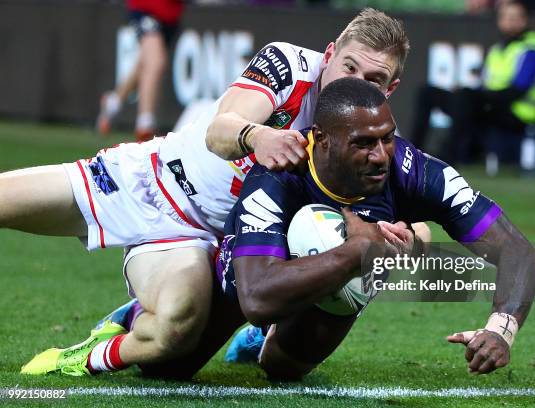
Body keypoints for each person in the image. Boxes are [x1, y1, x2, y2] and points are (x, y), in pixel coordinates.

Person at [24, 78, 535, 380]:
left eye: (386, 138)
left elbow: (518, 252)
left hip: (326, 283)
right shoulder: (279, 174)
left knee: (284, 370)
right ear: (322, 140)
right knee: (170, 368)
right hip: (253, 272)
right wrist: (355, 252)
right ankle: (127, 320)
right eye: (364, 142)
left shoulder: (417, 171)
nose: (380, 153)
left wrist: (501, 328)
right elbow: (257, 297)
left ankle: (267, 342)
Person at [12, 9, 414, 377]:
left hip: (198, 245)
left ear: (390, 89)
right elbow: (220, 130)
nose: (354, 85)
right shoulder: (290, 65)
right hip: (146, 179)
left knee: (173, 338)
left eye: (372, 80)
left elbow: (404, 222)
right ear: (329, 55)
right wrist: (257, 136)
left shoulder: (371, 142)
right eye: (349, 67)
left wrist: (404, 240)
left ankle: (96, 349)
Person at [411, 0, 535, 166]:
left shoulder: (532, 48)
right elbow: (487, 83)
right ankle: (413, 153)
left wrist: (480, 96)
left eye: (514, 17)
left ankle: (446, 158)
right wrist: (473, 93)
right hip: (491, 106)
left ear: (525, 20)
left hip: (517, 113)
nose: (509, 22)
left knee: (467, 98)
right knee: (428, 93)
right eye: (505, 17)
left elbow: (518, 90)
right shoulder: (499, 49)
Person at [97, 0, 185, 141]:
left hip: (170, 14)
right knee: (156, 62)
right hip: (146, 7)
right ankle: (145, 124)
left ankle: (112, 102)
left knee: (145, 64)